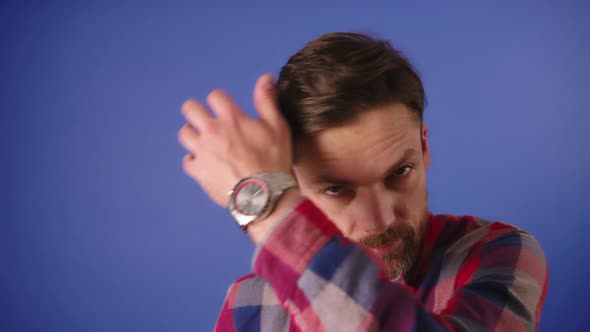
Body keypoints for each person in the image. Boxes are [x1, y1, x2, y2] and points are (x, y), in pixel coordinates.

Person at [177, 32, 548, 331]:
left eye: (399, 173)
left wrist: (265, 208)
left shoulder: (500, 255)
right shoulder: (251, 305)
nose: (380, 221)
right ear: (291, 182)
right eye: (336, 189)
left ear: (424, 148)